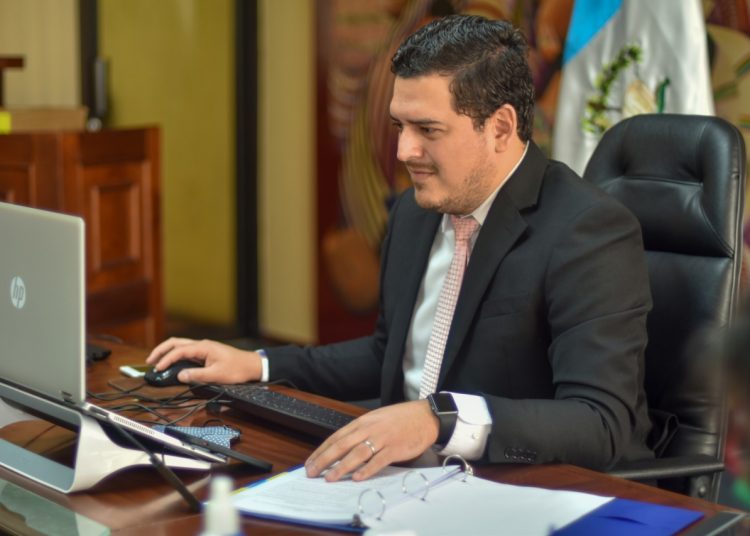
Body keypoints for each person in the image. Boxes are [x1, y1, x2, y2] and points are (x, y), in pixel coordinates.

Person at [147, 14, 653, 483]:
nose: (404, 151)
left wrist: (438, 421)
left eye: (427, 130)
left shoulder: (588, 230)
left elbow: (599, 422)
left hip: (523, 488)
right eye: (399, 126)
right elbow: (388, 355)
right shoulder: (415, 211)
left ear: (500, 128)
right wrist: (257, 365)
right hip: (402, 480)